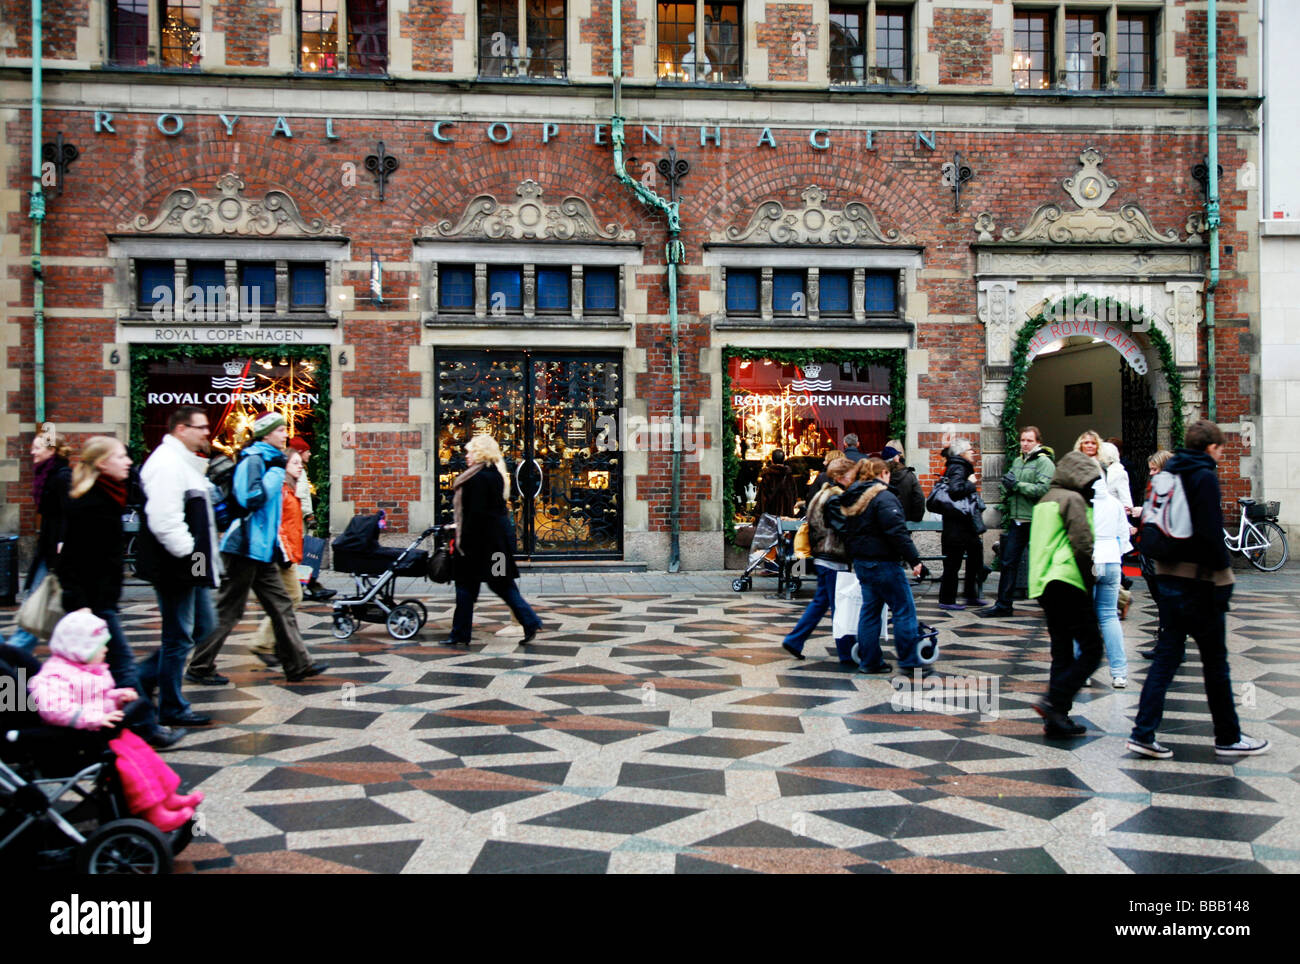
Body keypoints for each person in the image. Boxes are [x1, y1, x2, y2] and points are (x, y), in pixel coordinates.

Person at [1127, 420, 1269, 759]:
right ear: (1210, 448)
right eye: (1220, 448)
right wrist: (1224, 578)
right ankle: (1228, 736)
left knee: (1165, 659)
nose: (1221, 454)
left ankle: (1143, 732)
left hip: (1168, 578)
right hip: (1200, 583)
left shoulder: (1167, 475)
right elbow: (1210, 534)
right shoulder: (1203, 476)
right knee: (1216, 664)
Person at [57, 436, 182, 749]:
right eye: (120, 457)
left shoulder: (113, 495)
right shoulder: (90, 503)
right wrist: (82, 604)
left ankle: (131, 718)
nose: (128, 461)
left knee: (116, 665)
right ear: (102, 463)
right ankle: (145, 727)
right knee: (123, 665)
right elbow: (71, 559)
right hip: (93, 603)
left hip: (102, 599)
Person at [28, 610, 204, 832]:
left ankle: (167, 796)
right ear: (80, 648)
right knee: (129, 766)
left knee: (143, 753)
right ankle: (152, 810)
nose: (106, 650)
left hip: (100, 733)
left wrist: (116, 697)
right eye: (100, 646)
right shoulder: (53, 677)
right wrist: (96, 717)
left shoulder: (85, 668)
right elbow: (55, 708)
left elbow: (94, 697)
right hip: (77, 740)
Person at [186, 412, 327, 685]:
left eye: (284, 429)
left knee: (282, 604)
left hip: (263, 550)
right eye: (280, 430)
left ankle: (298, 664)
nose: (285, 434)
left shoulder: (271, 459)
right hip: (243, 547)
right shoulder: (254, 459)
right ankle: (200, 665)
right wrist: (276, 473)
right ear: (265, 434)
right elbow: (250, 498)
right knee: (229, 611)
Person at [135, 406, 221, 728]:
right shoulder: (167, 464)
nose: (206, 433)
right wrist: (189, 555)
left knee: (202, 627)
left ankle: (143, 678)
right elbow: (164, 520)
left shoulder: (184, 464)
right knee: (178, 636)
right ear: (181, 429)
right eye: (200, 427)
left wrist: (200, 562)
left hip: (190, 564)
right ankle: (170, 705)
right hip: (176, 566)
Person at [1027, 451, 1104, 737]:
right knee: (1093, 649)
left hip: (1045, 582)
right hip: (1068, 579)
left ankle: (1056, 718)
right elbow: (1083, 545)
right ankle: (1054, 701)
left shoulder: (1045, 500)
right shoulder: (1073, 500)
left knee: (1061, 650)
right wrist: (1087, 580)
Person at [444, 434, 543, 647]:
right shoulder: (493, 475)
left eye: (470, 451)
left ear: (480, 453)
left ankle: (460, 634)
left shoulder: (476, 478)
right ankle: (529, 621)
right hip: (496, 546)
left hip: (477, 547)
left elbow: (476, 515)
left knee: (466, 588)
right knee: (502, 585)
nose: (467, 456)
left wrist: (462, 539)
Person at [833, 457, 927, 676]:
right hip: (884, 562)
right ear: (883, 473)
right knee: (904, 610)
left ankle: (870, 660)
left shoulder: (853, 498)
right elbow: (897, 532)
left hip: (863, 563)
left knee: (870, 611)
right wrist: (915, 560)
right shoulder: (883, 497)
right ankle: (910, 660)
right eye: (887, 474)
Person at [781, 457, 856, 659]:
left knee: (821, 602)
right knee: (840, 606)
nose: (854, 477)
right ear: (840, 476)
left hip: (823, 557)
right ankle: (847, 651)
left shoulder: (822, 494)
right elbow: (843, 528)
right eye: (851, 474)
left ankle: (794, 640)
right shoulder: (835, 498)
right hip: (832, 556)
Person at [978, 426, 1054, 618]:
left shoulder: (1044, 462)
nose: (1025, 444)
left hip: (1036, 519)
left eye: (1029, 440)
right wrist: (1008, 487)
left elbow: (1043, 489)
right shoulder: (1018, 461)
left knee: (1041, 563)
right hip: (1017, 518)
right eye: (1022, 440)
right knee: (1008, 561)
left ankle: (1051, 603)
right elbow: (1010, 486)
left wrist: (1017, 485)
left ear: (1038, 442)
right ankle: (1003, 604)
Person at [7, 429, 71, 651]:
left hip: (56, 551)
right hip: (48, 549)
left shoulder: (61, 476)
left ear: (51, 450)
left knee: (37, 603)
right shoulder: (47, 474)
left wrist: (62, 541)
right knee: (37, 604)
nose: (31, 451)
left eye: (37, 447)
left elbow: (67, 512)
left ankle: (12, 655)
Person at [247, 448, 307, 668]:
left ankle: (281, 648)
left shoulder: (291, 490)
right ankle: (264, 642)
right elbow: (279, 524)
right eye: (295, 463)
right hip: (282, 554)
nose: (300, 466)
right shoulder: (281, 491)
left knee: (285, 601)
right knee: (292, 598)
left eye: (301, 463)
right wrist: (287, 553)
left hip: (288, 553)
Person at [1089, 469, 1131, 688]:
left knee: (1085, 617)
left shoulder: (1084, 502)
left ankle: (1083, 670)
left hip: (1091, 560)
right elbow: (1124, 536)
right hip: (1112, 559)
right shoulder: (1114, 503)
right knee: (1109, 617)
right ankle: (1119, 673)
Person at [937, 438, 986, 611]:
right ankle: (947, 599)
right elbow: (955, 491)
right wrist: (971, 484)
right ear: (962, 453)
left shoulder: (958, 466)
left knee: (975, 554)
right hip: (957, 524)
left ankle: (970, 594)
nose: (973, 452)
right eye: (970, 449)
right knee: (953, 562)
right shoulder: (958, 467)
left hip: (963, 523)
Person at [1136, 449, 1173, 660]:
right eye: (1150, 469)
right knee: (1162, 602)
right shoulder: (1156, 487)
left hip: (1161, 553)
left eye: (1154, 469)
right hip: (1150, 549)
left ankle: (1170, 644)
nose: (1151, 473)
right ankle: (1166, 642)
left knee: (1166, 602)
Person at [289, 436, 335, 602]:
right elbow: (301, 495)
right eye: (307, 451)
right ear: (300, 453)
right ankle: (306, 586)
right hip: (300, 521)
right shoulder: (299, 471)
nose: (309, 454)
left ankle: (307, 585)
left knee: (302, 556)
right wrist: (309, 515)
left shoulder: (295, 470)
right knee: (304, 555)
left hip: (297, 520)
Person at [881, 440, 924, 523]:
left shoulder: (879, 476)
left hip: (884, 522)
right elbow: (919, 499)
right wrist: (914, 519)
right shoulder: (909, 475)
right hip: (905, 521)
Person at [753, 449, 797, 520]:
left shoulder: (767, 476)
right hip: (786, 519)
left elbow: (762, 500)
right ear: (784, 459)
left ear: (772, 460)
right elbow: (794, 497)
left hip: (770, 519)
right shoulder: (789, 476)